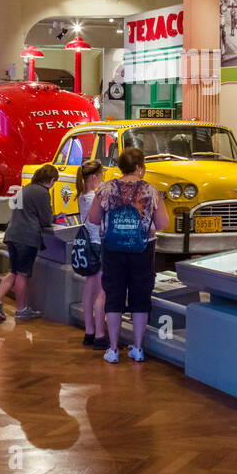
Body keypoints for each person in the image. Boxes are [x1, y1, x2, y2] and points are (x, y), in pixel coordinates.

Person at [86, 147, 169, 364]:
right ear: (140, 167)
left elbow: (93, 218)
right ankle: (138, 348)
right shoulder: (151, 191)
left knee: (113, 298)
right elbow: (163, 223)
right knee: (140, 298)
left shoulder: (105, 189)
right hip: (142, 250)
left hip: (112, 249)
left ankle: (113, 349)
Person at [0, 164, 58, 322]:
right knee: (22, 274)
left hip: (12, 235)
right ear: (51, 179)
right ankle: (21, 309)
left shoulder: (25, 189)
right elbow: (46, 219)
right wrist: (55, 217)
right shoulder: (42, 192)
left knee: (13, 271)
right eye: (54, 181)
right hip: (27, 238)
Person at [75, 159, 108, 350]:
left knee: (88, 291)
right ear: (94, 177)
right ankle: (100, 334)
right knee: (101, 293)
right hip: (99, 246)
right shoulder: (95, 197)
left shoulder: (81, 196)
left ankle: (89, 331)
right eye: (102, 176)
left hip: (87, 247)